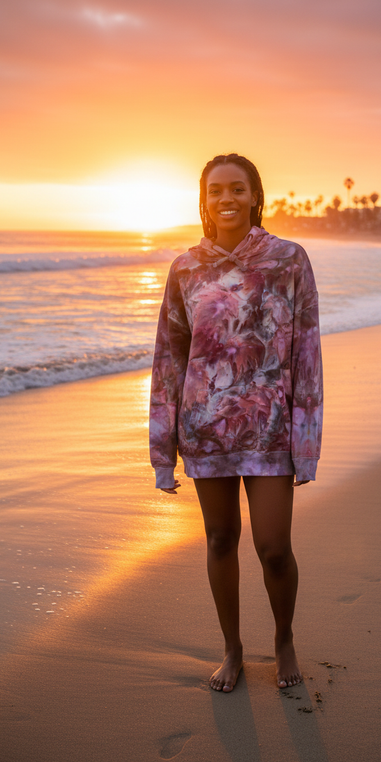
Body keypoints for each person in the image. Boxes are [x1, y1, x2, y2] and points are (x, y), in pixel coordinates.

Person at [150, 154, 323, 692]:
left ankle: (284, 639)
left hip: (270, 429)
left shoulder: (289, 260)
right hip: (205, 430)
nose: (226, 198)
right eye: (216, 191)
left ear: (255, 196)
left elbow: (307, 354)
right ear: (204, 201)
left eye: (237, 189)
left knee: (274, 547)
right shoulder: (186, 268)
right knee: (220, 538)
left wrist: (306, 440)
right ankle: (232, 648)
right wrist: (162, 446)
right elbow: (169, 359)